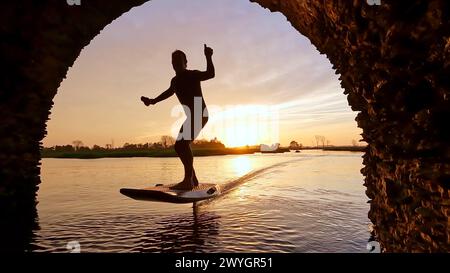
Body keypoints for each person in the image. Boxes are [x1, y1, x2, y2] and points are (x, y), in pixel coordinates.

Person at [141, 44, 215, 190]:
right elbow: (168, 92)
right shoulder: (174, 81)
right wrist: (152, 101)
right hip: (192, 116)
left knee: (182, 144)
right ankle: (192, 179)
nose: (175, 64)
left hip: (200, 114)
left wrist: (208, 57)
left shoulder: (192, 75)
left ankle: (188, 180)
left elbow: (210, 74)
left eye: (178, 61)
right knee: (179, 146)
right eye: (173, 62)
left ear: (185, 62)